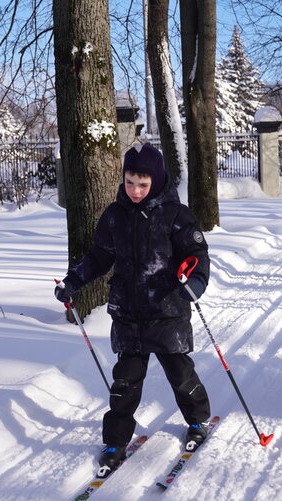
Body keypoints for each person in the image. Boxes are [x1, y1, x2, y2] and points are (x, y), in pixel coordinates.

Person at [54, 143, 212, 476]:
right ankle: (115, 442)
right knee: (124, 384)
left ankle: (197, 420)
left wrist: (194, 283)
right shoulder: (115, 215)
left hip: (167, 309)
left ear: (156, 181)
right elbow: (99, 256)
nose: (136, 190)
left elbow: (197, 256)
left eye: (143, 184)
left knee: (181, 375)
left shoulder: (177, 215)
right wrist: (73, 282)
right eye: (130, 182)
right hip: (128, 313)